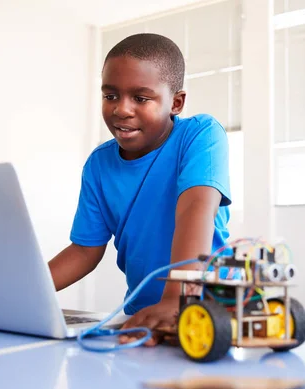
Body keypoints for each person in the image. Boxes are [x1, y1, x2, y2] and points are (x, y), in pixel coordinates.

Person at [48, 33, 231, 346]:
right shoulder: (98, 164)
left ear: (176, 103)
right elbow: (85, 250)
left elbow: (195, 209)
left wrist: (176, 298)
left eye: (140, 98)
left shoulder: (201, 134)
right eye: (111, 96)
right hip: (143, 318)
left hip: (206, 312)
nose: (122, 109)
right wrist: (22, 292)